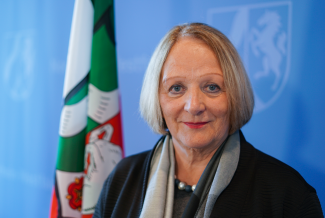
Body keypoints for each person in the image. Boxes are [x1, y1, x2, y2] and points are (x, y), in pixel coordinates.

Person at [93, 23, 323, 218]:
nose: (194, 106)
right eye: (176, 88)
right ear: (157, 99)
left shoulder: (287, 193)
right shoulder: (122, 179)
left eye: (212, 87)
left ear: (235, 95)